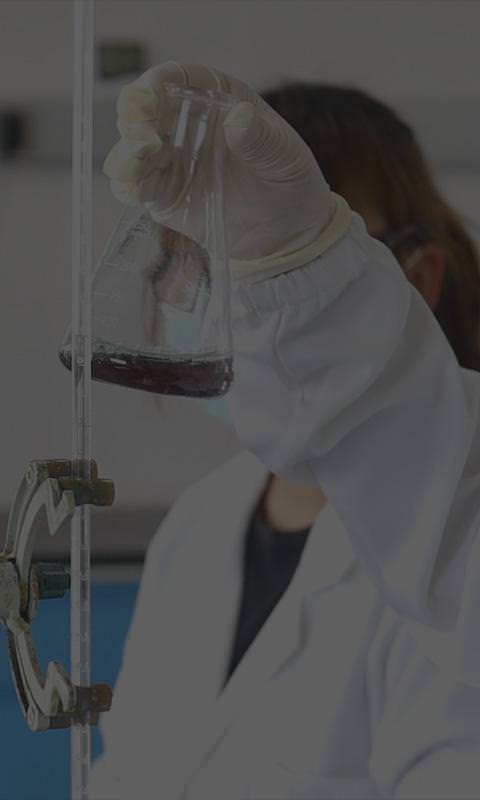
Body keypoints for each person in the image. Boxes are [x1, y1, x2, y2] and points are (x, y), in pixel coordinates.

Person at [89, 63, 480, 799]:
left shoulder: (444, 569)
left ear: (415, 278)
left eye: (265, 261)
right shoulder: (200, 521)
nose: (238, 301)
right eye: (201, 258)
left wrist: (296, 264)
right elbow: (127, 770)